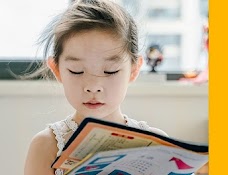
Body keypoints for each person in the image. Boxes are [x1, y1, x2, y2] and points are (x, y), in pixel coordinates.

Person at [23, 1, 168, 174]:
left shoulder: (157, 145)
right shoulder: (47, 146)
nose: (93, 87)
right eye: (76, 71)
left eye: (110, 71)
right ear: (57, 70)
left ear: (134, 69)